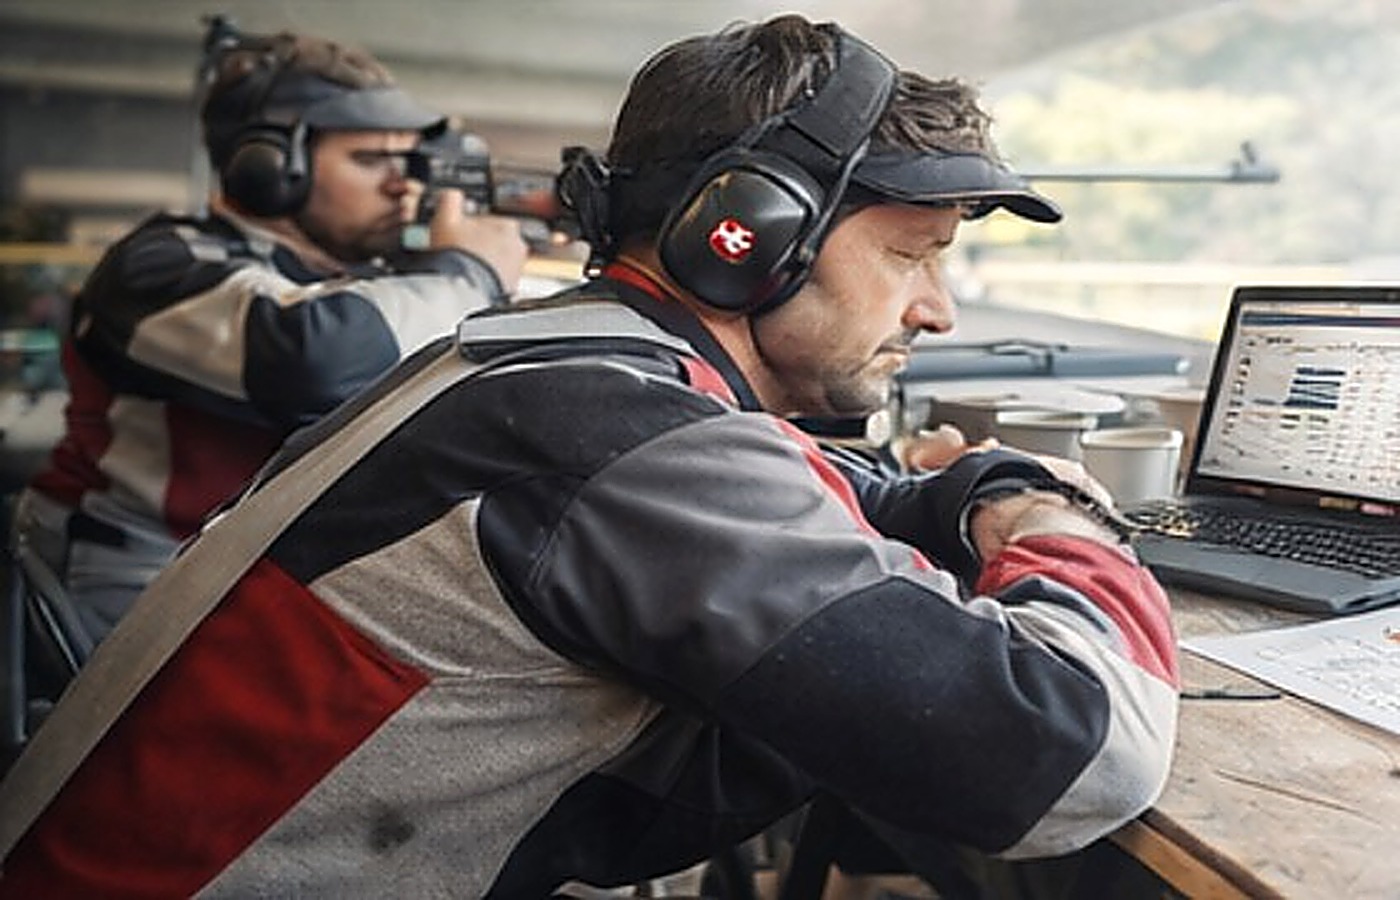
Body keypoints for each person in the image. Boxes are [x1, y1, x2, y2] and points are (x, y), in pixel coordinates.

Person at [0, 16, 1179, 897]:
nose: (938, 312)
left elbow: (806, 483)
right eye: (914, 255)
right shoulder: (616, 434)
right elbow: (1072, 752)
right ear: (749, 236)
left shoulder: (543, 359)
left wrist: (972, 488)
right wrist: (1061, 532)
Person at [10, 29, 528, 643]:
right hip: (129, 579)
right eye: (370, 159)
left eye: (408, 160)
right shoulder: (156, 266)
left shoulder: (371, 285)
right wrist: (470, 273)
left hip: (248, 580)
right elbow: (311, 358)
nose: (404, 185)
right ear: (271, 168)